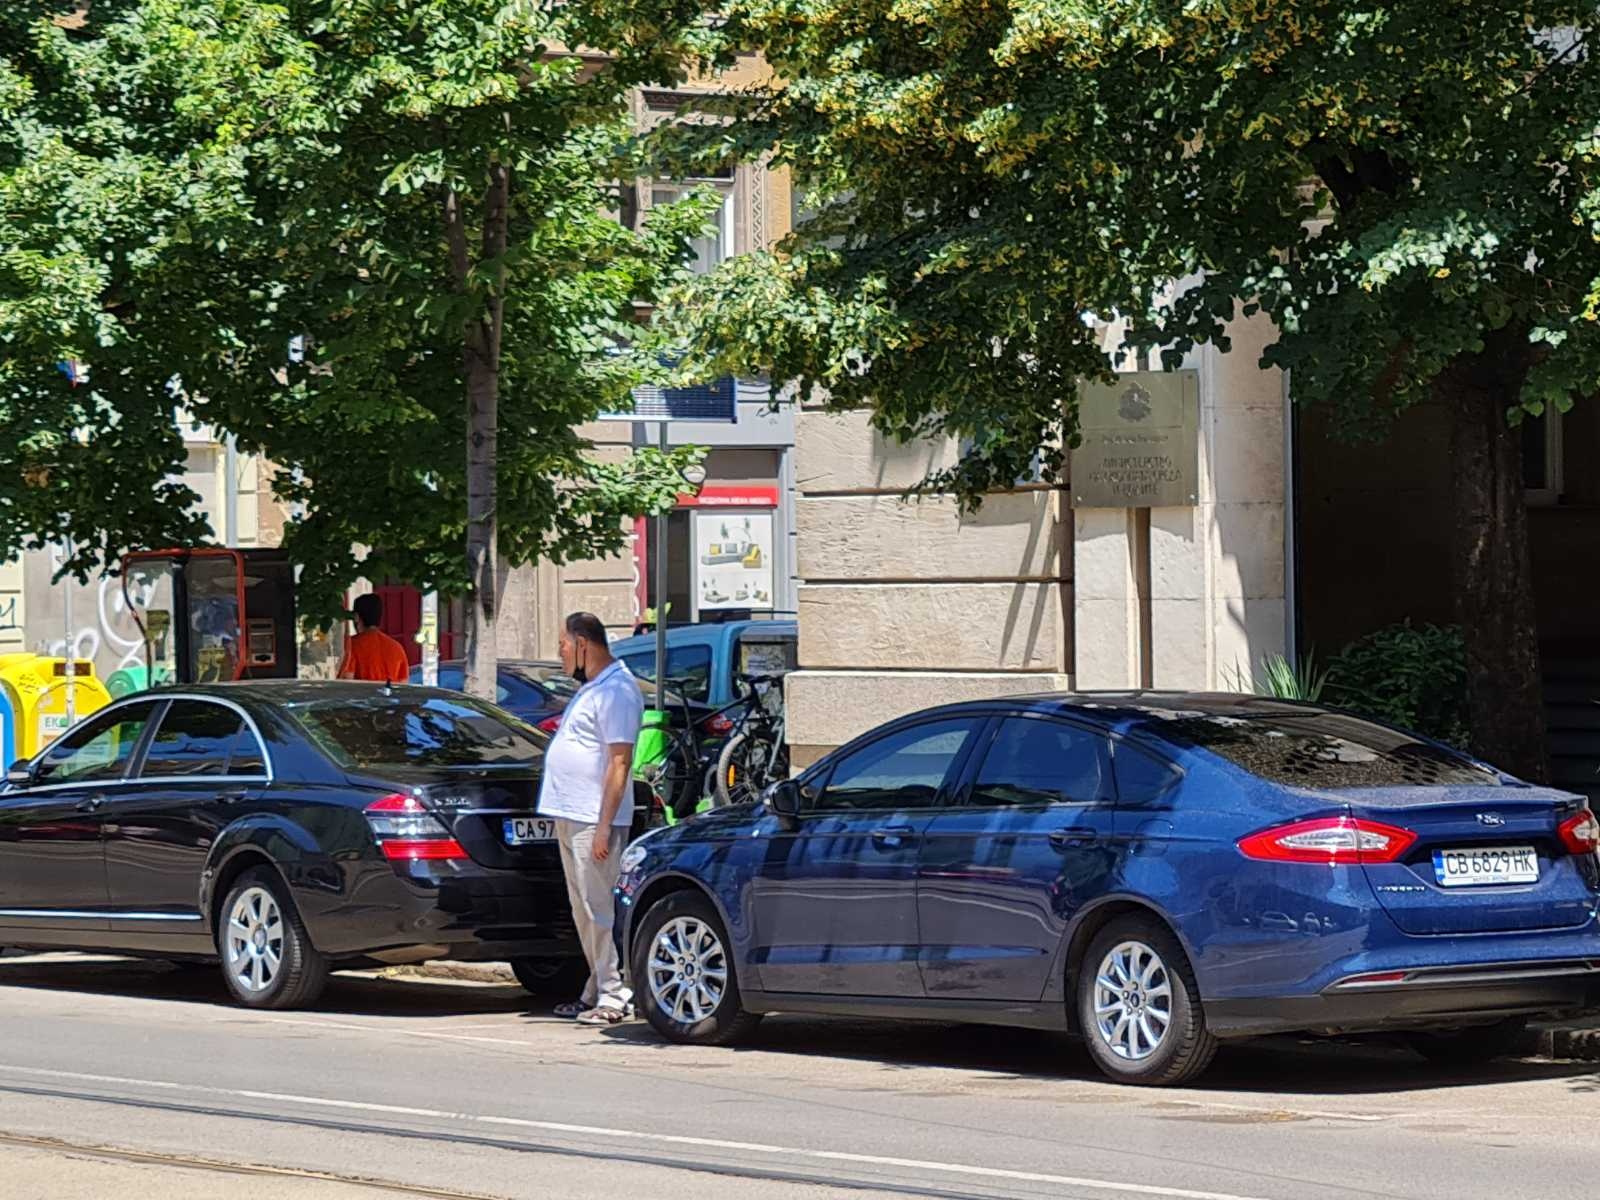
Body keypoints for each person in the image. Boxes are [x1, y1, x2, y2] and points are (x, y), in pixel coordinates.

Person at [538, 611, 644, 1025]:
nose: (560, 654)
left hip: (592, 817)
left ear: (582, 644)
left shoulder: (617, 690)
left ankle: (615, 994)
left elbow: (620, 762)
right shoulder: (594, 688)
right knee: (582, 908)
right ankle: (595, 986)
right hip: (571, 813)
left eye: (563, 645)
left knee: (598, 908)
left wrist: (603, 826)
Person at [337, 594, 410, 684]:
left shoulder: (351, 645)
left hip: (362, 693)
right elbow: (403, 684)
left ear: (356, 617)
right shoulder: (397, 648)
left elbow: (347, 680)